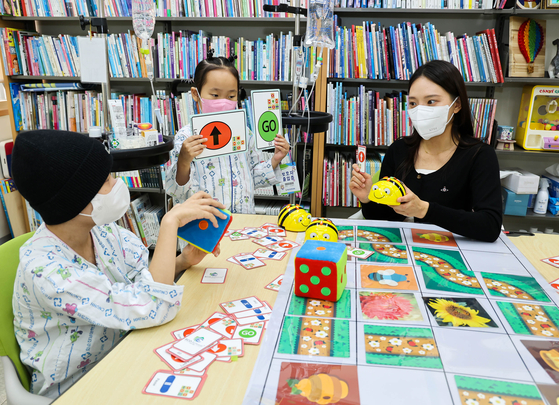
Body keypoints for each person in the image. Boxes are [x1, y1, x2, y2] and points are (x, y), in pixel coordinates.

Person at [11, 129, 226, 399]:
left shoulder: (101, 230)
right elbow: (153, 306)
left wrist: (182, 261)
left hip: (126, 350)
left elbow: (141, 283)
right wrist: (169, 223)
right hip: (78, 387)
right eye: (106, 180)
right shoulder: (46, 271)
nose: (116, 185)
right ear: (73, 199)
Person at [349, 60, 502, 242]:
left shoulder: (480, 156)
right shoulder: (399, 150)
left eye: (431, 101)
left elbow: (490, 226)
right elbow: (386, 218)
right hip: (403, 250)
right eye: (413, 103)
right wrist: (368, 198)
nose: (420, 110)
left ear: (457, 104)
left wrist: (424, 210)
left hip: (451, 252)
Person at [165, 52, 291, 213]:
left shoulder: (244, 132)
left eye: (231, 95)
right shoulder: (187, 138)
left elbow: (253, 177)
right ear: (196, 94)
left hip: (242, 223)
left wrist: (275, 159)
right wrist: (183, 160)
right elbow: (178, 191)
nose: (223, 101)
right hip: (204, 226)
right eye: (215, 95)